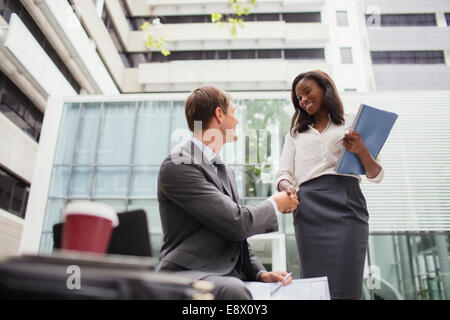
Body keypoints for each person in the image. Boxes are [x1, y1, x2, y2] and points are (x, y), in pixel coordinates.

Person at [156, 86, 298, 300]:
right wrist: (275, 205)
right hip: (187, 272)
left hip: (224, 274)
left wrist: (260, 272)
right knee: (234, 291)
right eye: (235, 113)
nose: (238, 121)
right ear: (219, 114)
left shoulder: (224, 170)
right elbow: (235, 223)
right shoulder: (179, 164)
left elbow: (235, 236)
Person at [275, 70, 384, 300]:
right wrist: (286, 187)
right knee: (316, 287)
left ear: (326, 89)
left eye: (307, 92)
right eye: (299, 98)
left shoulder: (353, 122)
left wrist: (361, 150)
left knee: (348, 284)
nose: (303, 100)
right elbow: (283, 173)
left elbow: (376, 174)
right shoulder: (295, 134)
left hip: (347, 202)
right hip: (309, 209)